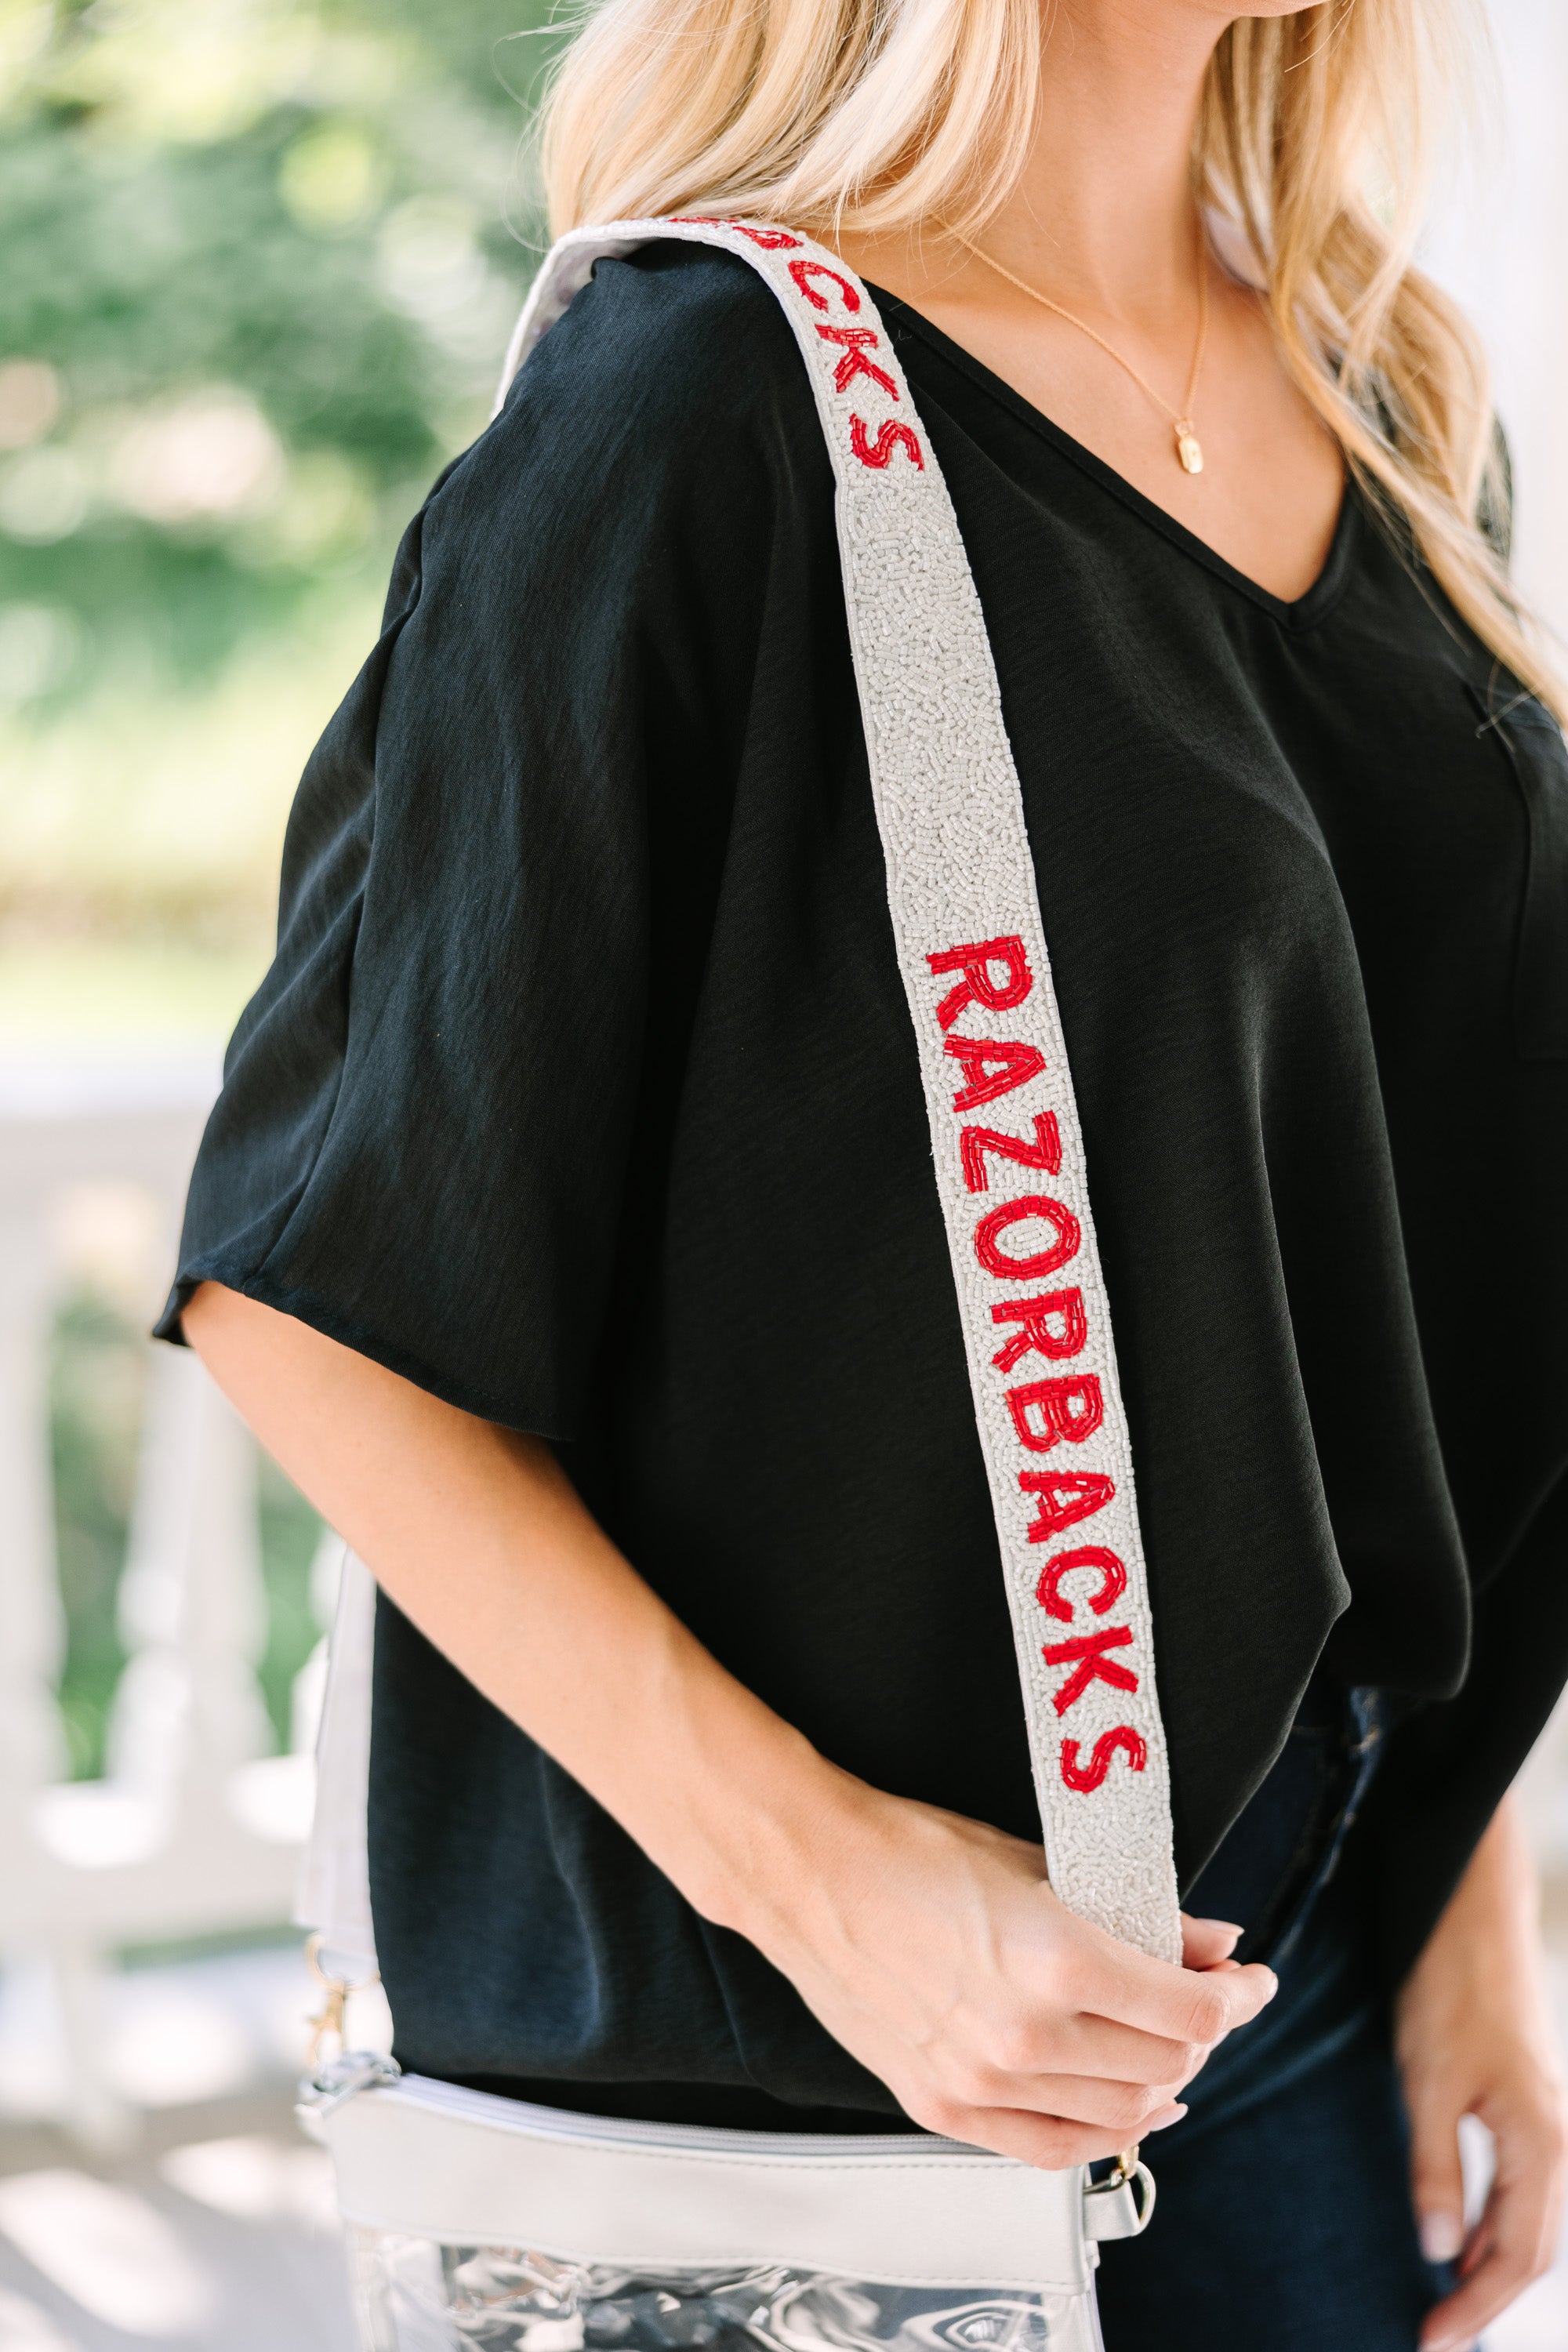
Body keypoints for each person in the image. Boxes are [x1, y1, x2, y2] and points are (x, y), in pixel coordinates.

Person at [159, 0, 1568, 2344]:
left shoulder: (1392, 398)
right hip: (829, 2076)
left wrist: (1456, 1905)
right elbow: (308, 1294)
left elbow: (1377, 1285)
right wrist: (843, 1900)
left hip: (1288, 1984)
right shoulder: (700, 404)